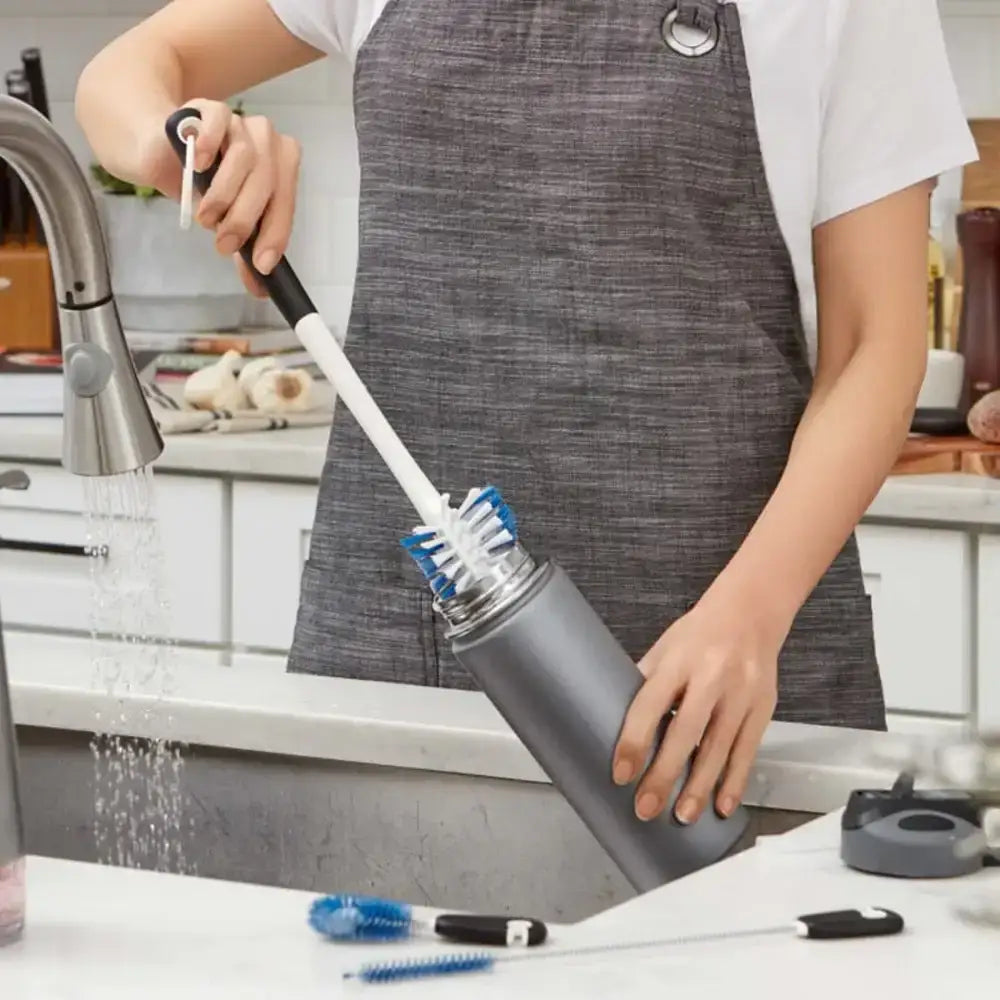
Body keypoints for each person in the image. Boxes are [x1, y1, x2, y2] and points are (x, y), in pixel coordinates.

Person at [77, 0, 976, 830]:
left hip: (723, 678)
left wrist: (749, 617)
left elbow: (873, 349)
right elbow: (129, 68)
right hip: (404, 651)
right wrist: (186, 144)